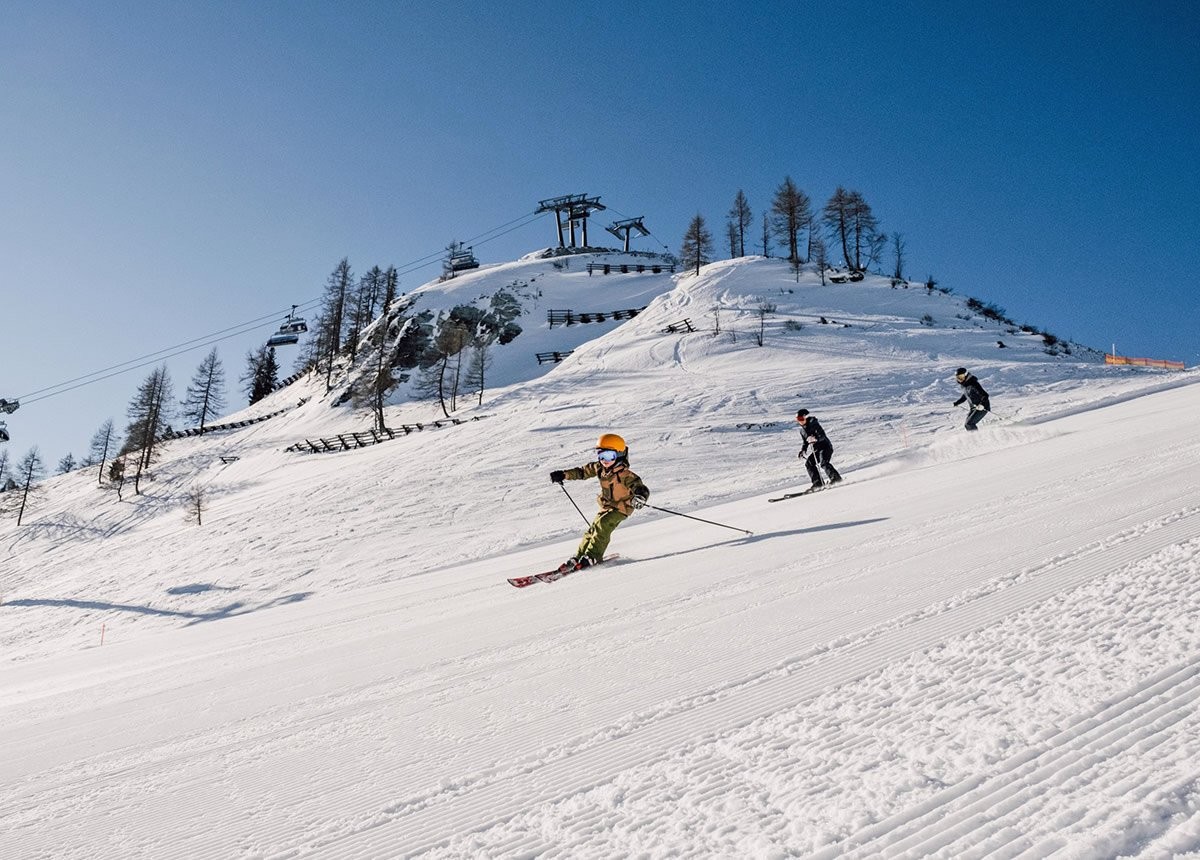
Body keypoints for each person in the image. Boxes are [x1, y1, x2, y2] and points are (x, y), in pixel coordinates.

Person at [550, 432, 650, 570]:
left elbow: (640, 487)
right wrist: (564, 474)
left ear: (620, 455)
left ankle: (593, 555)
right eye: (601, 455)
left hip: (622, 508)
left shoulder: (625, 475)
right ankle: (578, 557)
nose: (604, 460)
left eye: (609, 456)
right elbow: (582, 472)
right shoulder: (599, 468)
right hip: (607, 506)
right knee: (593, 529)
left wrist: (640, 497)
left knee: (603, 524)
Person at [796, 409, 843, 492]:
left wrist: (815, 439)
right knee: (809, 463)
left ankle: (836, 478)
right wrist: (803, 450)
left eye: (801, 419)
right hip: (816, 450)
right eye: (798, 420)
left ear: (805, 417)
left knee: (823, 463)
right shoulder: (802, 430)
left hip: (825, 447)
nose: (800, 421)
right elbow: (805, 442)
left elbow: (822, 436)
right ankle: (818, 483)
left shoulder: (814, 424)